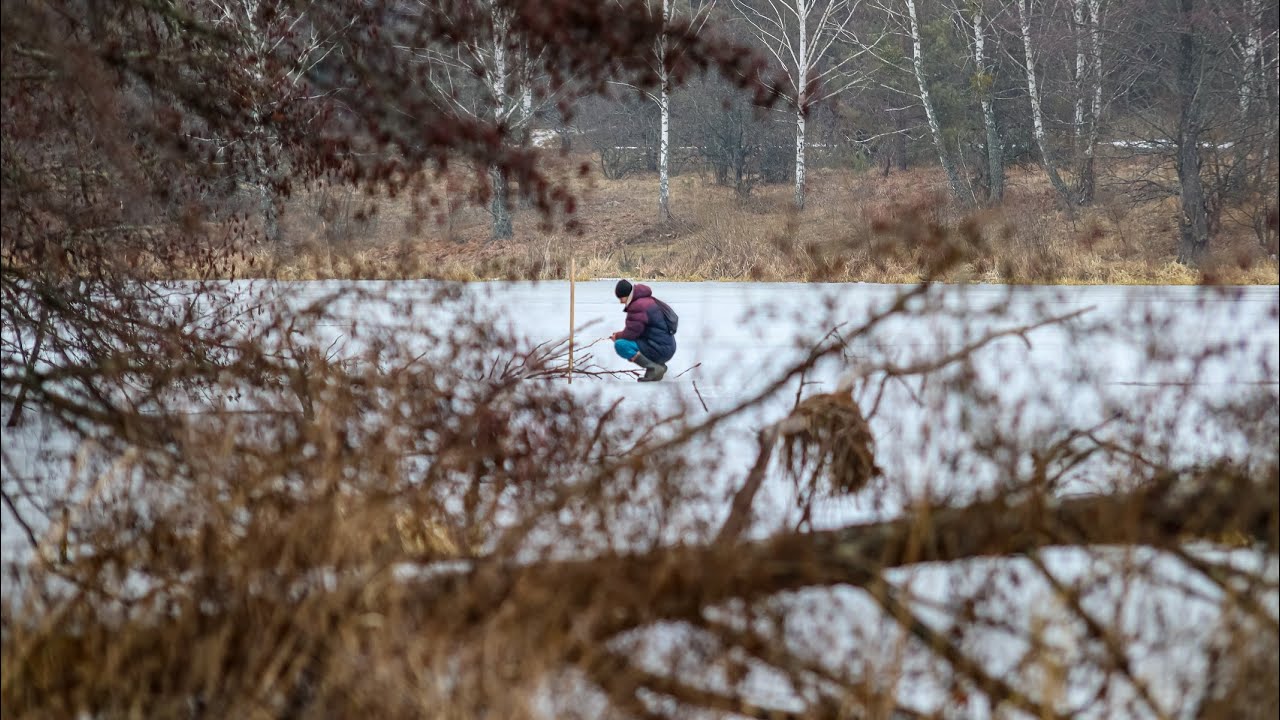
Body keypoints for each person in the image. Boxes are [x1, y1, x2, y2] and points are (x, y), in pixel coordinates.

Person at [610, 279, 676, 382]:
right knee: (632, 341)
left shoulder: (638, 306)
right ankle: (658, 367)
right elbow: (638, 330)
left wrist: (617, 336)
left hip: (659, 349)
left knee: (621, 345)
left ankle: (654, 368)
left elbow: (631, 334)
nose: (620, 302)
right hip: (667, 347)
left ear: (626, 295)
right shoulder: (648, 300)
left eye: (620, 298)